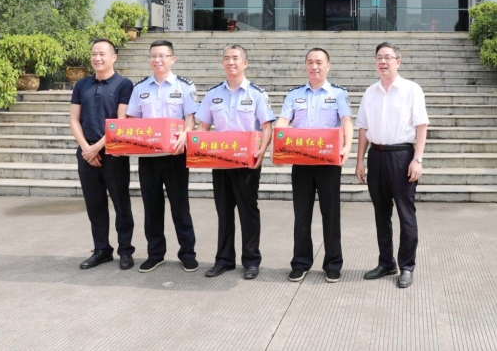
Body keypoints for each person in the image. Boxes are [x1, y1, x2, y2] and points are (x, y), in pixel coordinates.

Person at [195, 44, 275, 280]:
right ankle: (224, 260)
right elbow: (203, 126)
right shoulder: (213, 94)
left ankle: (251, 261)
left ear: (245, 63)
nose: (231, 62)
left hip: (247, 163)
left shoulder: (257, 94)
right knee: (224, 211)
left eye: (235, 58)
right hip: (220, 162)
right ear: (223, 63)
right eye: (227, 58)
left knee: (248, 212)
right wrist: (201, 149)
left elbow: (267, 127)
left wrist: (261, 152)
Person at [355, 42, 429, 289]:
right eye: (379, 57)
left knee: (406, 214)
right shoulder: (370, 92)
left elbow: (421, 126)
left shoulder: (411, 89)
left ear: (398, 61)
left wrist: (417, 159)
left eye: (388, 57)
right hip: (376, 156)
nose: (383, 62)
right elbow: (363, 129)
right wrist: (360, 161)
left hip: (402, 157)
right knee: (381, 213)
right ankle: (386, 262)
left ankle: (407, 266)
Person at [276, 48, 353, 283]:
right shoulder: (294, 95)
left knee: (331, 214)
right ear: (305, 66)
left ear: (328, 66)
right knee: (301, 215)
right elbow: (283, 121)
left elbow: (346, 121)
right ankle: (300, 262)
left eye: (319, 62)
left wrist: (348, 146)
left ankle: (333, 263)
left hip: (328, 163)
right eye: (310, 62)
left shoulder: (338, 94)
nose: (314, 66)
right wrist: (277, 142)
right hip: (301, 162)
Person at [125, 40, 199, 274]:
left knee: (180, 206)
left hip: (175, 155)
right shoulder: (140, 88)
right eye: (153, 56)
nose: (157, 60)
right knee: (152, 206)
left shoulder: (184, 86)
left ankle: (187, 254)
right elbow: (133, 119)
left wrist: (185, 136)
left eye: (162, 56)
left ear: (172, 59)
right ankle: (155, 254)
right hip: (148, 157)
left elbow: (190, 119)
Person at [70, 39, 135, 270]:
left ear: (113, 57)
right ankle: (102, 250)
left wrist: (96, 147)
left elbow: (121, 122)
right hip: (86, 153)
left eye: (102, 54)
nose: (97, 58)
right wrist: (86, 149)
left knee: (121, 203)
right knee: (94, 204)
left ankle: (125, 251)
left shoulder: (124, 85)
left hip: (114, 153)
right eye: (94, 54)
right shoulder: (82, 85)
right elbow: (74, 120)